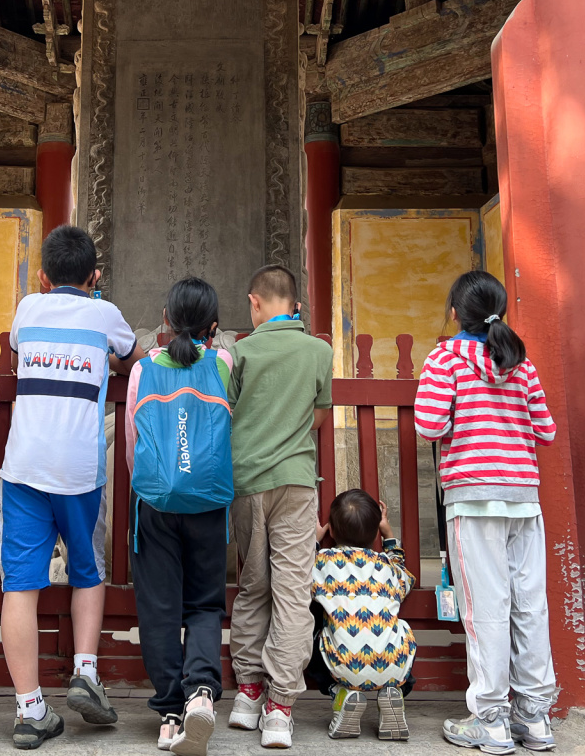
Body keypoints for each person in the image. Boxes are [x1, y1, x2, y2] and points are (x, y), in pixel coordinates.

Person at [0, 225, 144, 749]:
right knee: (87, 570)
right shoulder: (105, 315)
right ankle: (85, 671)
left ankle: (30, 709)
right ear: (95, 277)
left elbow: (19, 347)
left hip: (23, 467)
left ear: (42, 276)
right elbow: (131, 356)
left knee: (20, 586)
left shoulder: (27, 310)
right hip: (79, 468)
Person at [414, 270, 558, 754]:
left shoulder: (445, 359)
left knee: (486, 609)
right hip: (523, 496)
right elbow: (545, 430)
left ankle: (491, 719)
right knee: (529, 605)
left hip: (474, 497)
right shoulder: (521, 363)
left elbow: (429, 425)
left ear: (455, 313)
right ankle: (534, 717)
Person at [123, 278, 235, 756]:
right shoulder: (223, 363)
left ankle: (171, 713)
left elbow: (133, 444)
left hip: (156, 504)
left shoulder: (143, 370)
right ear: (214, 325)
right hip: (209, 502)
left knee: (159, 608)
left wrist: (154, 483)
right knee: (205, 604)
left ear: (165, 320)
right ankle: (202, 692)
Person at [226, 264, 334, 749]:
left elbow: (227, 412)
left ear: (255, 302)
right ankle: (280, 708)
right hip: (296, 481)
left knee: (253, 585)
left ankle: (248, 694)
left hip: (247, 482)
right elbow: (318, 415)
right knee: (292, 592)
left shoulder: (241, 352)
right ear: (295, 305)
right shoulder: (319, 351)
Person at [309, 490, 416, 742]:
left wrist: (315, 542)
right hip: (392, 665)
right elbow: (405, 579)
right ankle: (394, 692)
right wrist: (389, 536)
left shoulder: (322, 562)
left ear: (332, 530)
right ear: (376, 532)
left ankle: (341, 693)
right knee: (400, 630)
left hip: (342, 665)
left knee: (315, 634)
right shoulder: (386, 566)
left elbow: (302, 572)